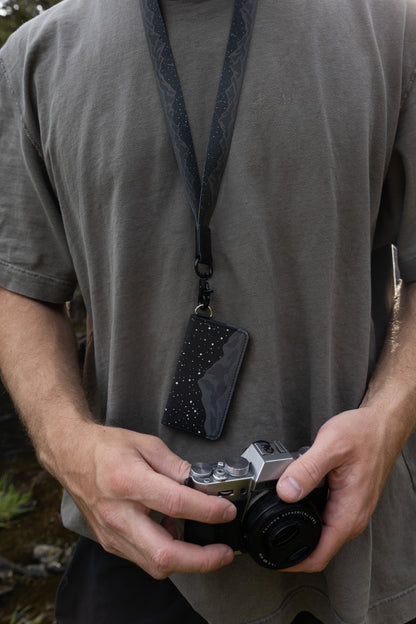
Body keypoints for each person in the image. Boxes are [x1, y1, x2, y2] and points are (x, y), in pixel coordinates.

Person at [0, 0, 416, 622]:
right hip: (132, 560)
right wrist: (67, 445)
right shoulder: (32, 59)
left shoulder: (398, 29)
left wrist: (389, 418)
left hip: (359, 557)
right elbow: (21, 283)